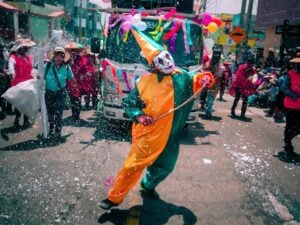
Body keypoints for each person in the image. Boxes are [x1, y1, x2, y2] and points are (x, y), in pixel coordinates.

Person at [99, 28, 215, 210]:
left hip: (171, 136)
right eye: (161, 60)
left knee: (165, 167)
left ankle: (148, 185)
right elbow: (130, 103)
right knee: (131, 167)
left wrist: (205, 78)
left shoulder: (181, 77)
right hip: (148, 135)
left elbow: (196, 79)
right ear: (153, 65)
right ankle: (113, 198)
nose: (167, 62)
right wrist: (140, 116)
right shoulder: (144, 83)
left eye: (167, 57)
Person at [44, 46, 74, 138]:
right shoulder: (47, 66)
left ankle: (58, 131)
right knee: (50, 112)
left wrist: (73, 90)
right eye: (57, 56)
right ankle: (51, 127)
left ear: (63, 58)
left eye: (61, 56)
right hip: (48, 92)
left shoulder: (66, 68)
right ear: (53, 56)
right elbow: (40, 77)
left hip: (60, 93)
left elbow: (72, 79)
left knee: (58, 112)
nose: (59, 58)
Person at [8, 38, 36, 127]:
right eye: (23, 47)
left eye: (26, 48)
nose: (25, 49)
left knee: (27, 103)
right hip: (18, 84)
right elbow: (11, 67)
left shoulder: (29, 58)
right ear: (18, 48)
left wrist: (37, 75)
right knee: (19, 104)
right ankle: (17, 120)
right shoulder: (13, 57)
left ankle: (26, 120)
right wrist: (12, 73)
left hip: (28, 83)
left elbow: (32, 69)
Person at [280, 52, 300, 155]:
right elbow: (284, 88)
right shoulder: (289, 74)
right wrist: (293, 95)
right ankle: (287, 143)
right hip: (291, 105)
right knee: (289, 126)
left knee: (297, 127)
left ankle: (287, 139)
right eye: (297, 64)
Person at [229, 55, 256, 120]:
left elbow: (253, 77)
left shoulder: (252, 69)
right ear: (247, 63)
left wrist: (251, 79)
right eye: (249, 63)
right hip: (239, 85)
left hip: (246, 86)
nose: (250, 65)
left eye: (251, 64)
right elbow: (238, 76)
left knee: (245, 101)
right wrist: (246, 79)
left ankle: (242, 114)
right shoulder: (241, 67)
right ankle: (232, 110)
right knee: (237, 98)